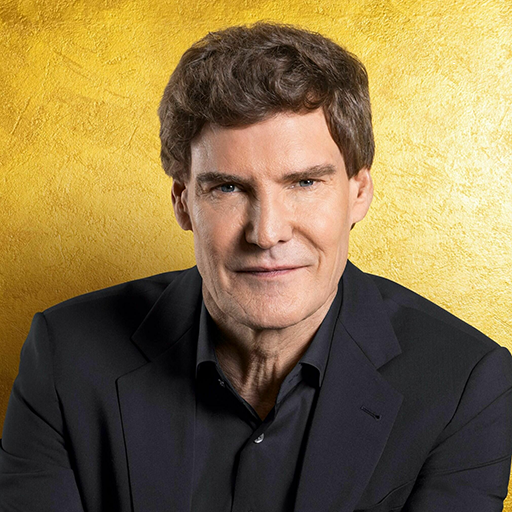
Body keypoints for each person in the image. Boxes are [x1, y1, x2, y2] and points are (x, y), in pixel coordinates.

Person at [1, 22, 511, 512]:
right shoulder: (64, 356)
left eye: (304, 183)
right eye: (228, 187)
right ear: (183, 202)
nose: (267, 233)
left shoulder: (466, 387)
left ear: (359, 193)